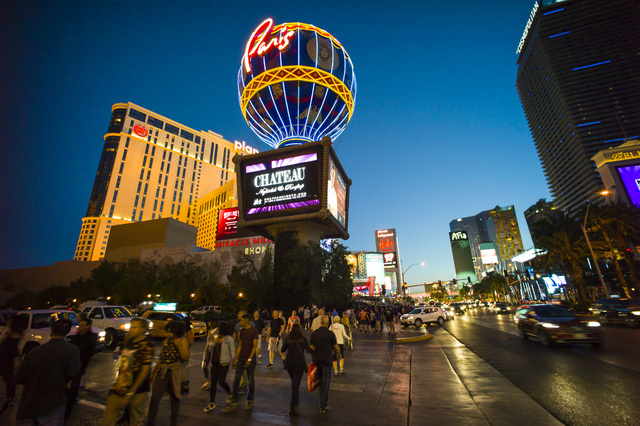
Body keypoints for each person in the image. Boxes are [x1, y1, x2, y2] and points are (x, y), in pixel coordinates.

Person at [15, 318, 81, 425]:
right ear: (67, 333)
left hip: (28, 405)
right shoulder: (71, 350)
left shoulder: (34, 352)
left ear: (51, 331)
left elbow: (19, 378)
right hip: (52, 405)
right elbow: (73, 373)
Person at [101, 318, 154, 426]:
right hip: (120, 386)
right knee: (108, 417)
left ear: (142, 330)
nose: (131, 329)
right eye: (131, 326)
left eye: (135, 327)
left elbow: (145, 370)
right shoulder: (129, 340)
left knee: (135, 418)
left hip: (137, 388)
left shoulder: (147, 344)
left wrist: (130, 393)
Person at [147, 321, 190, 425]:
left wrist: (177, 344)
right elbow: (161, 357)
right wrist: (153, 372)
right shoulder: (166, 341)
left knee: (175, 398)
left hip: (175, 373)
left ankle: (173, 422)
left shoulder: (182, 341)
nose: (168, 334)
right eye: (167, 332)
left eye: (171, 332)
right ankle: (150, 422)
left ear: (177, 332)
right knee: (155, 398)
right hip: (162, 372)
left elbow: (185, 357)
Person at [223, 313, 258, 412]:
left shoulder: (254, 331)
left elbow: (254, 346)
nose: (240, 322)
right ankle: (235, 401)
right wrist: (235, 359)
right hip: (241, 358)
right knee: (236, 380)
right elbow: (240, 346)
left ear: (246, 320)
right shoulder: (241, 332)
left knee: (251, 381)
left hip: (250, 359)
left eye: (241, 320)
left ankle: (250, 400)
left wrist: (250, 359)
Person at [66, 316, 99, 417]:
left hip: (81, 362)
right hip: (73, 362)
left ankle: (71, 400)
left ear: (88, 326)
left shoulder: (91, 337)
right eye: (80, 324)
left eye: (83, 325)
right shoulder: (76, 336)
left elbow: (89, 351)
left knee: (75, 382)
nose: (80, 327)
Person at [310, 316, 340, 414]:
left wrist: (313, 357)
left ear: (320, 322)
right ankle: (323, 404)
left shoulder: (314, 333)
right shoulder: (330, 334)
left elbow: (311, 347)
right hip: (327, 360)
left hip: (317, 360)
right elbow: (336, 347)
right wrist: (338, 353)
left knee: (320, 381)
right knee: (326, 381)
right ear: (327, 323)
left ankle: (321, 400)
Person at [203, 322, 235, 413]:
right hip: (215, 363)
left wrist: (234, 361)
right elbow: (209, 350)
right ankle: (212, 403)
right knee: (213, 383)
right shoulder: (215, 337)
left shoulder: (229, 339)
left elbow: (232, 351)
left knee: (221, 382)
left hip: (224, 364)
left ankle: (229, 392)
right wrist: (206, 360)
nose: (218, 330)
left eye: (219, 329)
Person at [281, 324, 310, 417]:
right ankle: (292, 407)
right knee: (296, 384)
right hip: (299, 364)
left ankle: (295, 399)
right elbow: (308, 350)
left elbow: (282, 349)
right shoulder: (303, 339)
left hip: (289, 364)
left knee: (294, 382)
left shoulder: (288, 339)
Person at [0, 314, 28, 412]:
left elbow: (15, 354)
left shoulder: (12, 338)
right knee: (9, 381)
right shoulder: (14, 335)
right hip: (6, 363)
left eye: (10, 320)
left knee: (9, 380)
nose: (8, 321)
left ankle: (9, 400)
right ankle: (9, 400)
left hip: (6, 363)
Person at [201, 319, 219, 391]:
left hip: (214, 351)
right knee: (204, 365)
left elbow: (218, 341)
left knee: (213, 367)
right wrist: (205, 352)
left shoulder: (218, 331)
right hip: (208, 350)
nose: (208, 324)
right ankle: (208, 380)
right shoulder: (209, 331)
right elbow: (208, 342)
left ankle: (211, 384)